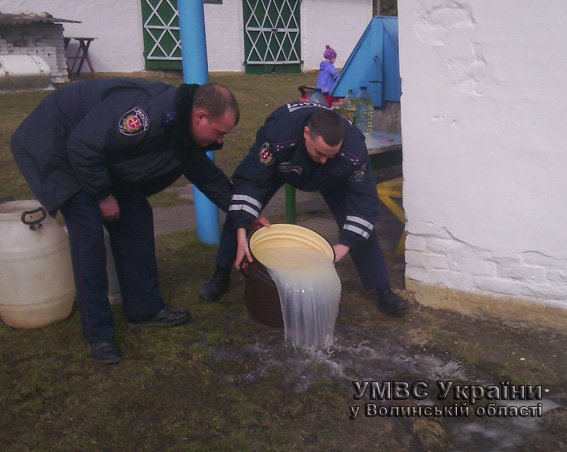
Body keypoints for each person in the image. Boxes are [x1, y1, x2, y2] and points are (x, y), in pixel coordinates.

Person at [11, 78, 239, 364]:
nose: (220, 142)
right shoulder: (146, 116)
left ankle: (144, 310)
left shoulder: (181, 123)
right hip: (56, 146)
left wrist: (244, 212)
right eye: (219, 133)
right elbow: (83, 146)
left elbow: (205, 174)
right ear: (201, 116)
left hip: (96, 155)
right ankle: (99, 334)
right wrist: (103, 194)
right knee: (88, 234)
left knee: (136, 217)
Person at [199, 102, 409, 316]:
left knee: (358, 224)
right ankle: (220, 275)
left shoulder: (354, 150)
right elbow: (250, 181)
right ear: (306, 133)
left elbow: (364, 202)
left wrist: (345, 245)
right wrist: (242, 226)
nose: (323, 159)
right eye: (319, 152)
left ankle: (382, 289)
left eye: (331, 155)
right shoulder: (278, 135)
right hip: (282, 166)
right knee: (241, 211)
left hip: (333, 177)